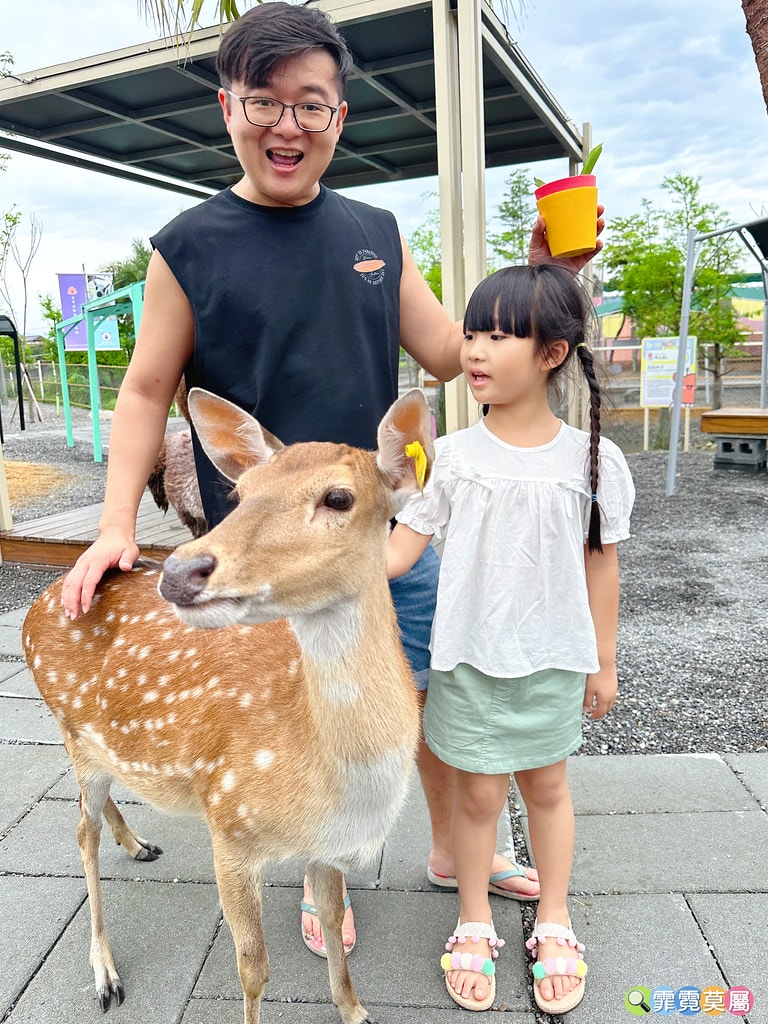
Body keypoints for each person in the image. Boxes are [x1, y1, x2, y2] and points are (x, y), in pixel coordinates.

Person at [60, 2, 602, 958]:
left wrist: (540, 282)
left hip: (382, 528)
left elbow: (445, 352)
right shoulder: (187, 248)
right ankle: (316, 856)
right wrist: (114, 526)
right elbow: (146, 389)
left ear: (340, 118)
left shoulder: (375, 232)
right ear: (227, 107)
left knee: (424, 686)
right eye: (264, 102)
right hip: (268, 548)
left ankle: (451, 845)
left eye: (311, 106)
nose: (287, 126)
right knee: (296, 713)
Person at [387, 264, 635, 1014]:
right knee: (477, 796)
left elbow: (603, 570)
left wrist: (604, 663)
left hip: (554, 661)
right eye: (471, 332)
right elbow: (399, 551)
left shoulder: (591, 459)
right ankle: (472, 917)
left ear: (552, 352)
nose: (476, 350)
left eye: (500, 334)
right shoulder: (453, 459)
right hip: (467, 661)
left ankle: (553, 916)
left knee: (549, 789)